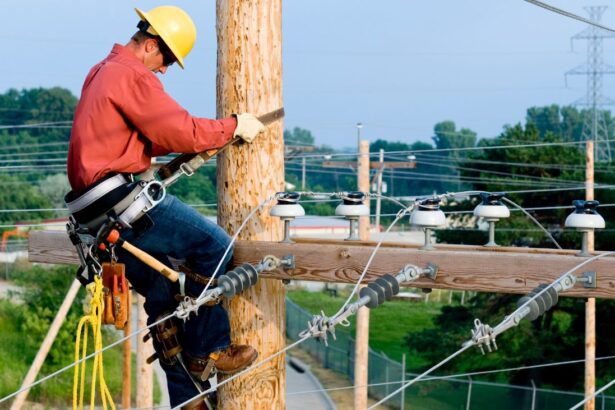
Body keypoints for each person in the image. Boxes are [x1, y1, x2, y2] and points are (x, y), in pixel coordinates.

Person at [66, 5, 264, 409]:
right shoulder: (132, 75)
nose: (165, 70)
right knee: (216, 247)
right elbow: (179, 130)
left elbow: (149, 137)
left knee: (164, 301)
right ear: (151, 45)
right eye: (167, 60)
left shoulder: (103, 71)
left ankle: (187, 400)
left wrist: (201, 140)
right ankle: (209, 348)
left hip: (92, 217)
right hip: (120, 203)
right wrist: (231, 125)